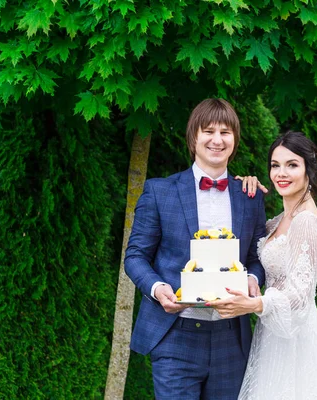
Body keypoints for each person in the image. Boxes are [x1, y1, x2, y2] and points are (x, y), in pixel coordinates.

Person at [124, 98, 267, 400]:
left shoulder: (250, 196)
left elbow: (256, 259)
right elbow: (135, 257)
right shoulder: (160, 191)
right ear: (193, 137)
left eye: (225, 132)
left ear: (235, 139)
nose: (217, 140)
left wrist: (253, 280)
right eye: (209, 131)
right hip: (175, 334)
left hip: (231, 337)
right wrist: (157, 288)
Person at [208, 131, 317, 399]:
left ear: (309, 169)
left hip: (295, 343)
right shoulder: (280, 220)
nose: (281, 173)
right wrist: (244, 189)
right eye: (275, 165)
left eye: (292, 165)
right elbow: (249, 241)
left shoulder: (306, 221)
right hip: (271, 334)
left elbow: (299, 298)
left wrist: (257, 304)